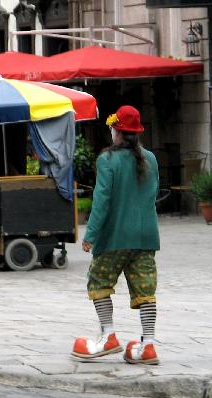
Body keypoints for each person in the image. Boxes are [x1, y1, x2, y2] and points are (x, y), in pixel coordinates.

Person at [71, 105, 160, 365]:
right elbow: (153, 194)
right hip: (145, 238)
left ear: (116, 131)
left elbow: (102, 201)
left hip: (114, 237)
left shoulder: (107, 159)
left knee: (98, 282)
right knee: (145, 290)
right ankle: (149, 345)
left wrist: (91, 235)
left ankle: (108, 336)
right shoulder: (151, 158)